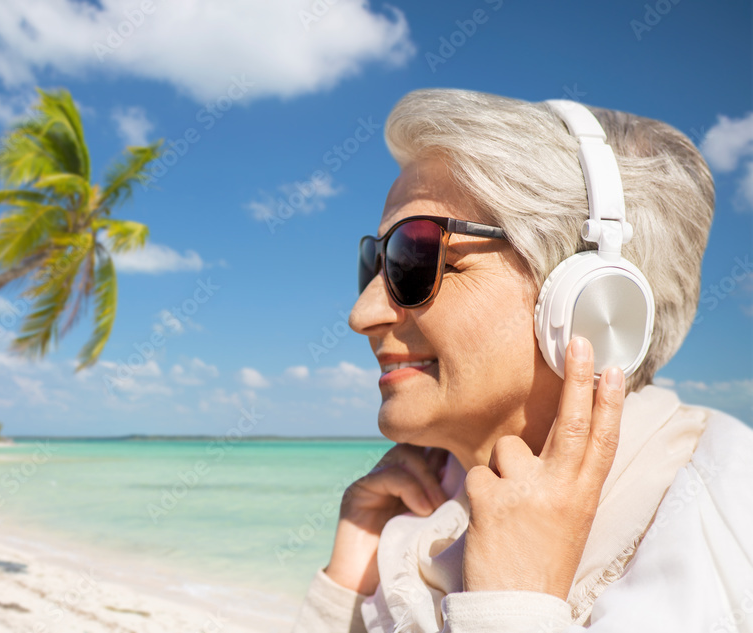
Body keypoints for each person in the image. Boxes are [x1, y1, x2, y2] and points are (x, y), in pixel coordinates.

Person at [292, 88, 753, 632]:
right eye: (376, 262)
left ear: (587, 294)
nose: (363, 313)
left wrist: (513, 608)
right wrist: (346, 588)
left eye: (415, 257)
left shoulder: (721, 527)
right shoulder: (424, 511)